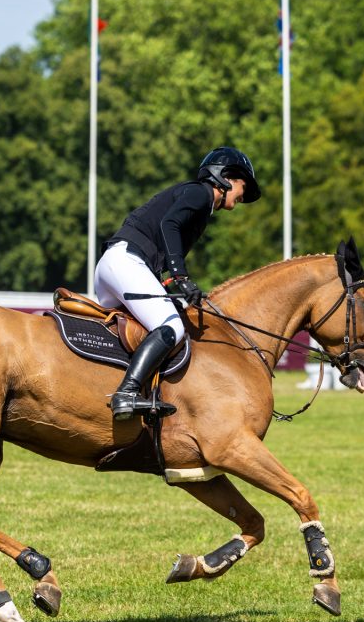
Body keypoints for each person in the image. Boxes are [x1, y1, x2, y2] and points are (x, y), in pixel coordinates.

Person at [94, 146, 261, 419]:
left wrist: (173, 285)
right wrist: (180, 276)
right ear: (227, 177)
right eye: (244, 186)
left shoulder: (197, 200)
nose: (244, 196)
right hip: (126, 262)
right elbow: (169, 225)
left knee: (140, 331)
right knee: (170, 326)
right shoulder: (200, 193)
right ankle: (127, 393)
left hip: (115, 265)